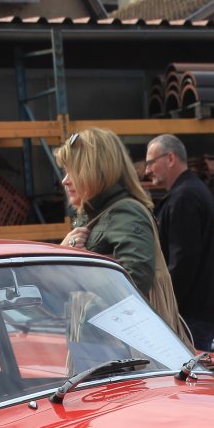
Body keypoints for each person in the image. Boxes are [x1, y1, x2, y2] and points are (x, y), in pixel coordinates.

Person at [54, 128, 194, 349]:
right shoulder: (97, 215)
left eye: (72, 171)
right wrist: (66, 251)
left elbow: (134, 282)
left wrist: (88, 316)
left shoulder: (125, 212)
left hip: (122, 350)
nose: (65, 181)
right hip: (106, 348)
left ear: (96, 171)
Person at [143, 134, 214, 352]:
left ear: (170, 158)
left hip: (192, 312)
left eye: (151, 162)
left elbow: (183, 261)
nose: (147, 171)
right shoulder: (191, 191)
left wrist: (164, 306)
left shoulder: (184, 198)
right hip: (200, 309)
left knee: (187, 369)